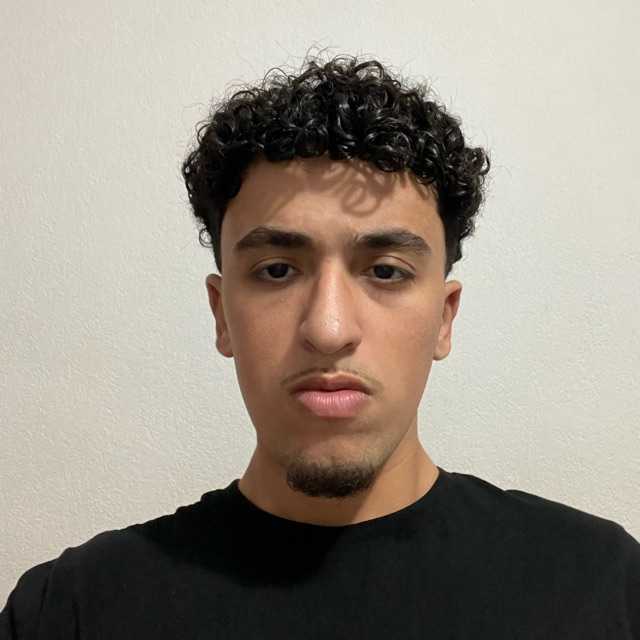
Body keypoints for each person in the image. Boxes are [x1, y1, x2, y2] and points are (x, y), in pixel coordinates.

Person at [2, 53, 638, 639]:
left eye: (385, 271)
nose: (329, 329)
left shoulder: (603, 588)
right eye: (277, 270)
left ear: (445, 319)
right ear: (222, 315)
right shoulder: (72, 612)